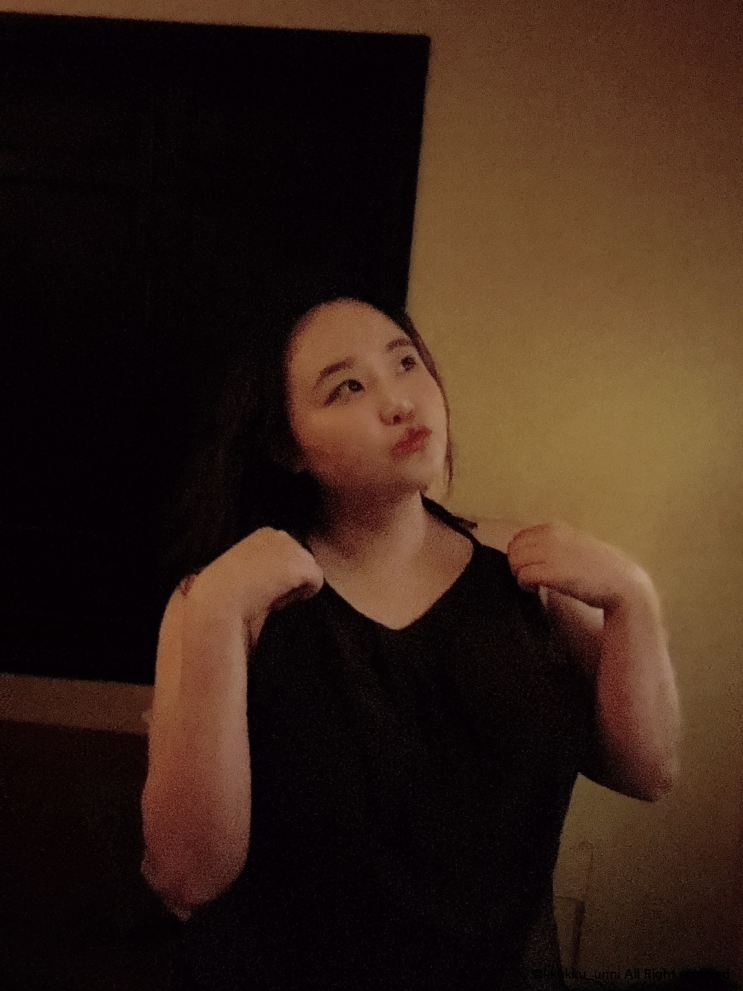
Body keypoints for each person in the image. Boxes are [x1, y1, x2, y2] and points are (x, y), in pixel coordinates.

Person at [140, 284, 681, 990]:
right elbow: (187, 877)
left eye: (405, 362)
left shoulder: (529, 570)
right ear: (285, 445)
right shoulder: (223, 599)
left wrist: (633, 599)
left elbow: (647, 772)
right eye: (346, 387)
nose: (399, 401)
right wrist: (214, 614)